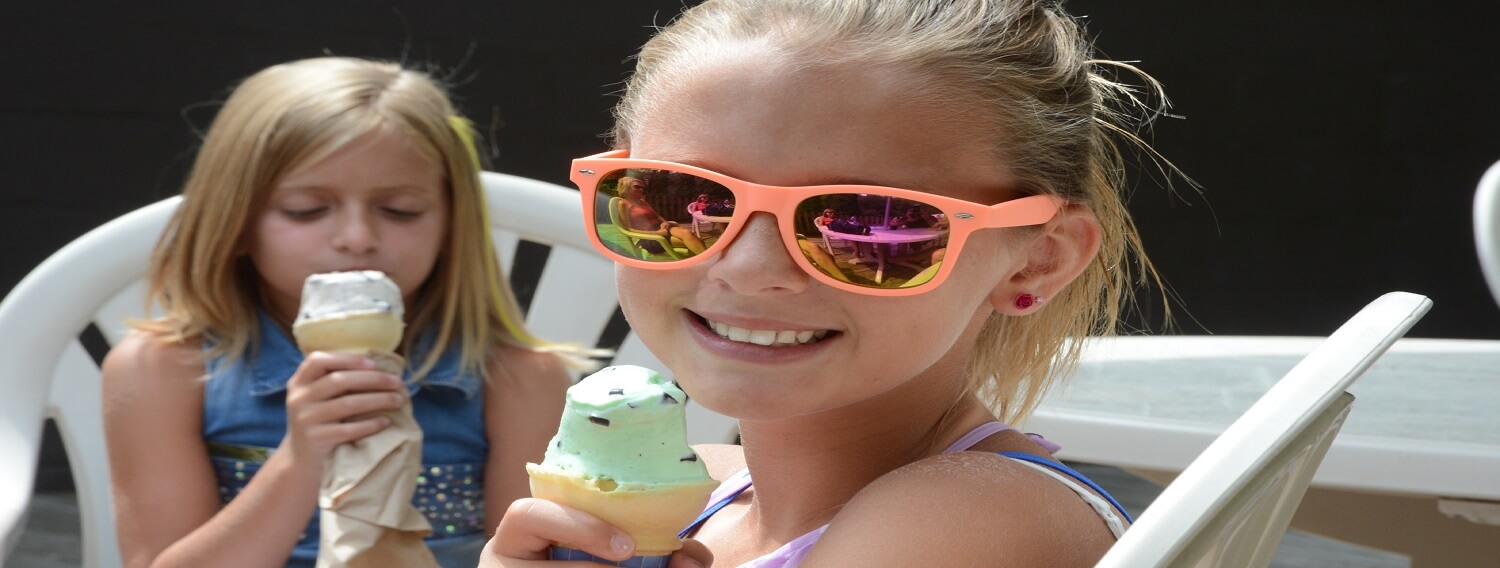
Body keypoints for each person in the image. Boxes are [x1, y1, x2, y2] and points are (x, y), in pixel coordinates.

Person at [489, 0, 1176, 565]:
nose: (751, 268)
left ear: (1037, 259)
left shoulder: (966, 521)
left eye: (866, 225)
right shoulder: (700, 487)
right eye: (679, 201)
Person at [101, 57, 588, 568]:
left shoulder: (516, 379)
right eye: (305, 210)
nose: (357, 238)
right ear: (236, 221)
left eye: (400, 209)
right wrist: (299, 458)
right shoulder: (160, 372)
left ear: (452, 224)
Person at [620, 176, 709, 255]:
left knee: (687, 233)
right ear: (626, 188)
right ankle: (707, 262)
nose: (641, 189)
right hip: (650, 238)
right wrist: (656, 233)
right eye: (637, 187)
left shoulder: (643, 201)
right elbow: (627, 229)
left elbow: (657, 216)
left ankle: (704, 262)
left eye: (642, 187)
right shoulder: (623, 203)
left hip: (661, 228)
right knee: (697, 241)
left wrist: (664, 222)